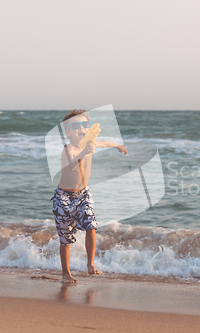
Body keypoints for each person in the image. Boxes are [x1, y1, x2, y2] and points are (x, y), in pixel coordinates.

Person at [51, 109, 127, 283]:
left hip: (83, 194)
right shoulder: (68, 149)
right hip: (63, 197)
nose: (81, 128)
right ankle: (66, 273)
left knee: (91, 225)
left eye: (84, 124)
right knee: (65, 238)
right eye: (75, 125)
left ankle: (90, 264)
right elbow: (70, 166)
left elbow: (105, 142)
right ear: (68, 132)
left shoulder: (91, 143)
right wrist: (85, 152)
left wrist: (118, 146)